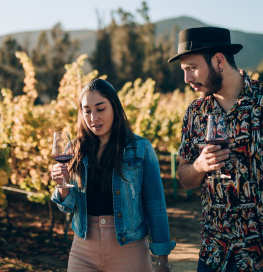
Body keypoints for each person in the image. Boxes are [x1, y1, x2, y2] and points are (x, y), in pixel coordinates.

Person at [168, 26, 263, 272]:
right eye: (184, 70)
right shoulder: (195, 113)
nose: (187, 79)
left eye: (192, 68)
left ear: (219, 61)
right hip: (214, 252)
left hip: (259, 252)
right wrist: (199, 166)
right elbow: (184, 178)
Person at [51, 78, 175, 272]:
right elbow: (67, 208)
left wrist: (162, 258)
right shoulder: (74, 149)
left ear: (115, 108)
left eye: (101, 109)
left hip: (130, 252)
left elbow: (155, 204)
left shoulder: (140, 148)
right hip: (83, 252)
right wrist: (62, 185)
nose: (93, 118)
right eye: (87, 111)